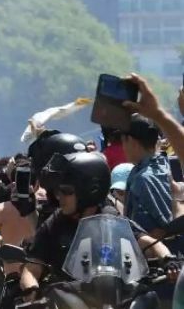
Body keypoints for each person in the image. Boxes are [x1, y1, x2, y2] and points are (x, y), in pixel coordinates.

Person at [20, 151, 176, 302]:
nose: (59, 196)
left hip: (118, 298)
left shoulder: (111, 217)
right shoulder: (54, 224)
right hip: (73, 302)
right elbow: (31, 269)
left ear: (90, 189)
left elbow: (148, 242)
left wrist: (169, 260)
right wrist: (31, 290)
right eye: (56, 191)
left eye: (66, 191)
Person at [121, 113, 182, 252]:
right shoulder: (161, 163)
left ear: (131, 141)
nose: (122, 147)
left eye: (123, 141)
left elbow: (169, 225)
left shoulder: (144, 178)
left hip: (167, 257)